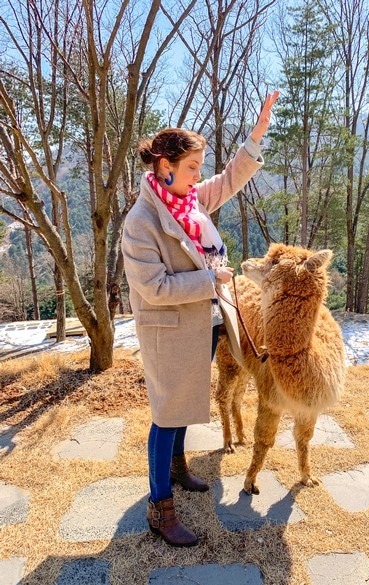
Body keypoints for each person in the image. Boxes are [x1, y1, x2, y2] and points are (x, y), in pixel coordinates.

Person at [121, 90, 279, 548]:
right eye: (191, 167)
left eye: (198, 168)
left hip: (201, 322)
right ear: (164, 166)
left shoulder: (187, 203)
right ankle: (160, 508)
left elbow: (230, 179)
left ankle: (177, 468)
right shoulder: (143, 221)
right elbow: (153, 287)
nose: (198, 176)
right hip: (168, 329)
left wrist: (256, 134)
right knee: (166, 415)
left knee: (186, 402)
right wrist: (212, 281)